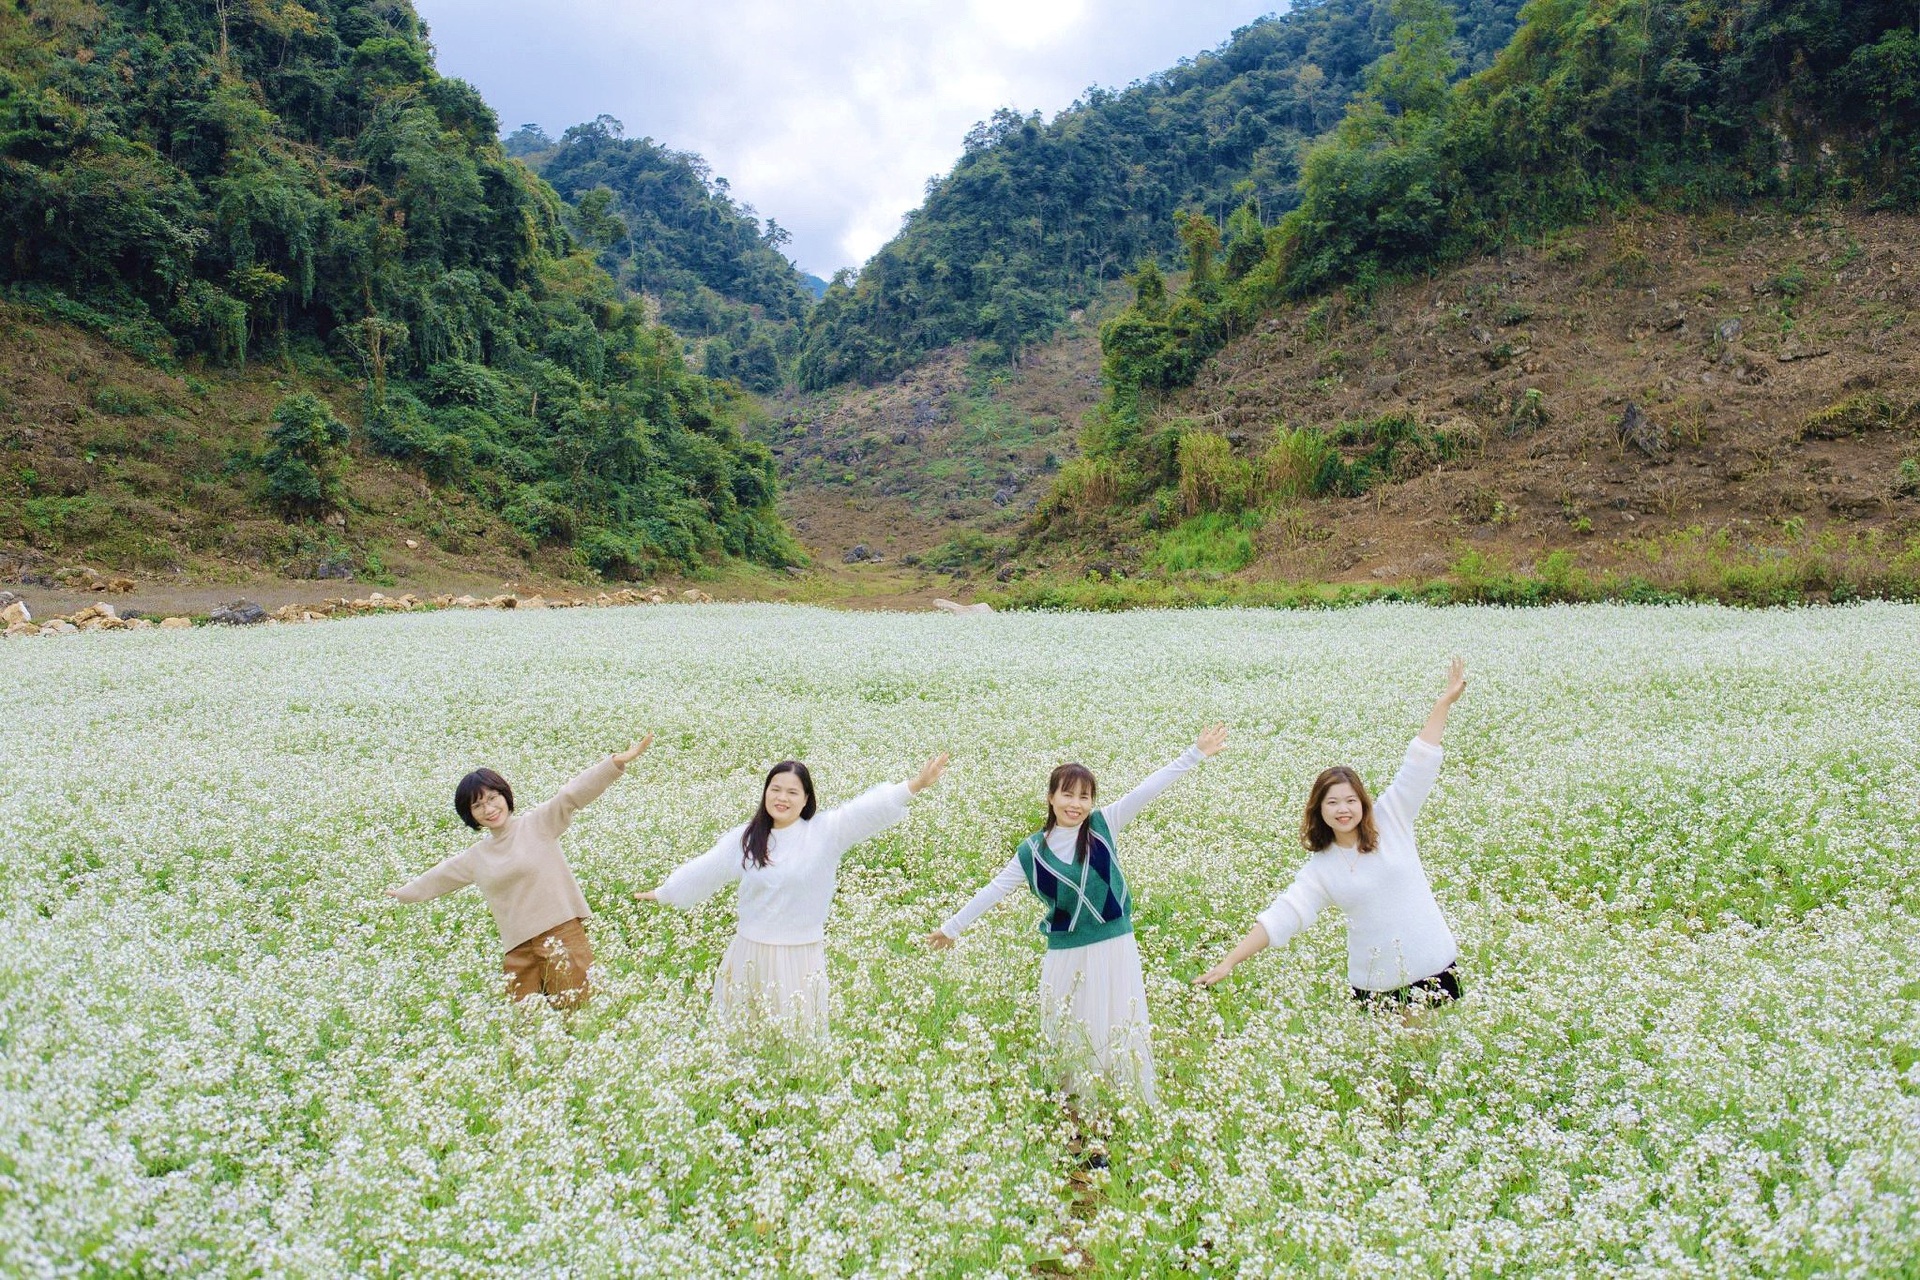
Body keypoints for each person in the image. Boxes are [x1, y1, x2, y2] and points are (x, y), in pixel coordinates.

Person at [926, 726, 1229, 1106]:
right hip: (1067, 955)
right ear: (1051, 797)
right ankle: (1078, 1114)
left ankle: (1123, 1110)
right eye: (1067, 793)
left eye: (1084, 796)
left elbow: (1148, 790)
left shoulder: (1104, 825)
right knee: (1072, 1033)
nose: (1076, 803)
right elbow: (994, 890)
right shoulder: (1032, 852)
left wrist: (1195, 753)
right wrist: (951, 928)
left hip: (1115, 947)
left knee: (1118, 1025)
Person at [1195, 658, 1468, 1004]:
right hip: (1376, 984)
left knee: (1427, 1055)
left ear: (1363, 803)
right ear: (1319, 811)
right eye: (1332, 803)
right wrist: (1229, 962)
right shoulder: (1322, 867)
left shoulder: (1392, 818)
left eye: (1350, 800)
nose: (1343, 810)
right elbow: (1283, 915)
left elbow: (1420, 762)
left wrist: (1443, 703)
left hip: (1431, 965)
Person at [634, 753, 950, 1037]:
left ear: (806, 799)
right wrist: (665, 892)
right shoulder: (747, 838)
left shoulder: (826, 832)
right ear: (765, 793)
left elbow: (866, 810)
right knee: (742, 1034)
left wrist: (916, 784)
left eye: (791, 791)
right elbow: (707, 869)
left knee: (795, 1037)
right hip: (749, 952)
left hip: (798, 955)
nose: (781, 797)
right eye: (775, 789)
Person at [388, 736, 654, 1008]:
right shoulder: (476, 856)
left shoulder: (538, 824)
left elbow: (571, 795)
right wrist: (402, 894)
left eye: (492, 798)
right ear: (470, 815)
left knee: (578, 1013)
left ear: (505, 796)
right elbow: (439, 877)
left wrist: (614, 763)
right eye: (477, 805)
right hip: (518, 950)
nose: (489, 809)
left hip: (561, 934)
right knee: (528, 1028)